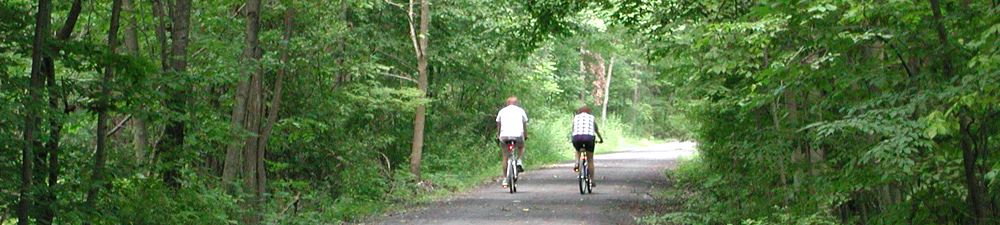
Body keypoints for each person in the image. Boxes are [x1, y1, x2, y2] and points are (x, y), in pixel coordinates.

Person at [496, 96, 528, 188]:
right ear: (516, 103)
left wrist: (498, 135)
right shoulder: (520, 111)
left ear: (507, 103)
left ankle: (505, 179)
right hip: (518, 136)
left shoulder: (502, 111)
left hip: (504, 136)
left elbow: (499, 124)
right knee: (521, 146)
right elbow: (524, 124)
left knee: (505, 156)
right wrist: (525, 135)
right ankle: (519, 161)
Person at [571, 106, 603, 187]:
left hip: (576, 137)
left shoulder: (576, 117)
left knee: (577, 149)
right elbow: (596, 130)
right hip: (589, 138)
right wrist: (601, 139)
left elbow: (573, 129)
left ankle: (577, 163)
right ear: (589, 112)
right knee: (590, 160)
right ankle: (592, 180)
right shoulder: (591, 117)